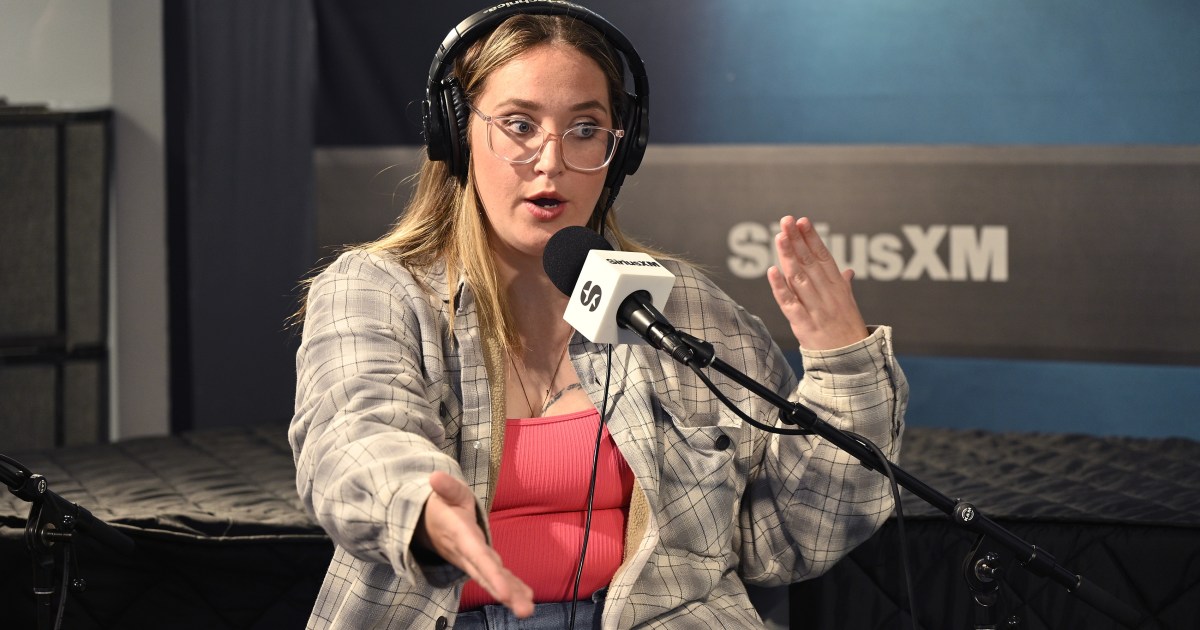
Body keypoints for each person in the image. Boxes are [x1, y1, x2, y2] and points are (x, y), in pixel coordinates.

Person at [289, 3, 907, 629]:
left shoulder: (678, 308)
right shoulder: (377, 291)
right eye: (519, 124)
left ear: (621, 148)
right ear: (457, 135)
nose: (551, 160)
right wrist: (415, 506)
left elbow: (788, 537)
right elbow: (355, 432)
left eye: (585, 129)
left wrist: (843, 371)